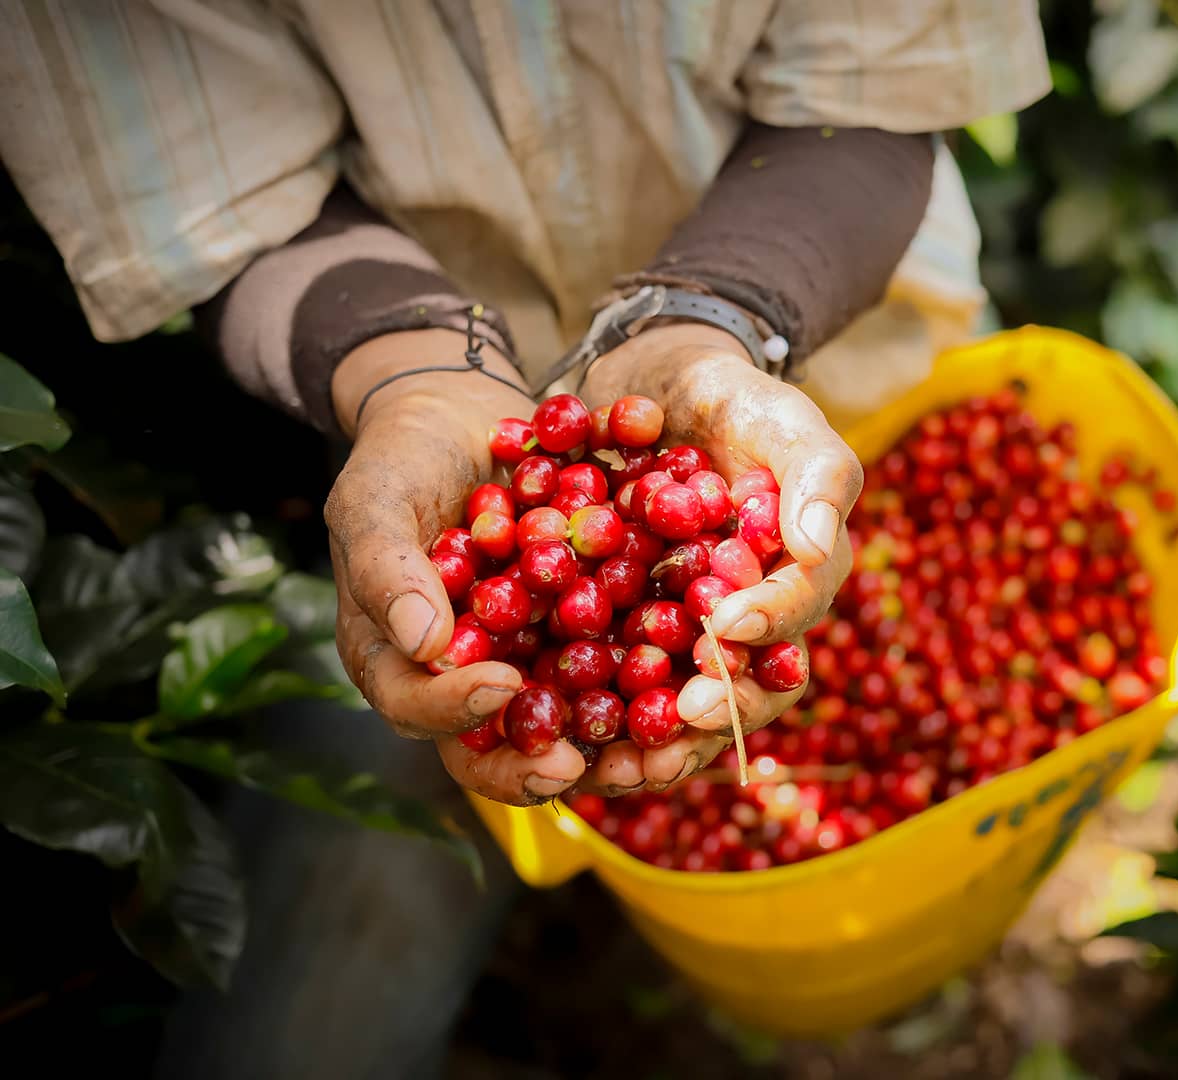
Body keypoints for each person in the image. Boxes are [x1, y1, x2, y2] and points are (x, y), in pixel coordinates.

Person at [1, 2, 1049, 1074]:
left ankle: (859, 961)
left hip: (815, 347)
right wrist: (410, 378)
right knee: (339, 928)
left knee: (895, 683)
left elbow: (876, 86)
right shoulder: (525, 532)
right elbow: (216, 198)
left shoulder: (660, 507)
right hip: (428, 445)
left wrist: (710, 320)